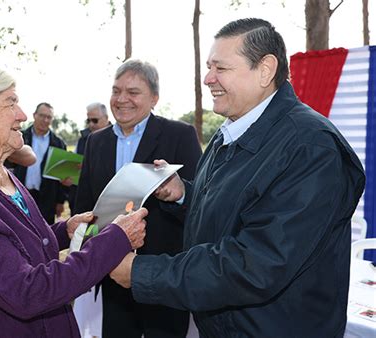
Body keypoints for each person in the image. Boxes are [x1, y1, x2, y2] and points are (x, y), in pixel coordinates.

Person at [109, 18, 366, 338]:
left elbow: (257, 264)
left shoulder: (311, 148)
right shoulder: (230, 132)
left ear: (265, 70)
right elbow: (239, 211)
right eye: (208, 67)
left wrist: (141, 273)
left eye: (221, 68)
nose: (208, 78)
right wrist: (185, 194)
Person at [0, 59, 148, 337]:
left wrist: (64, 231)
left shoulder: (0, 173)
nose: (22, 115)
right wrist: (115, 241)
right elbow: (26, 290)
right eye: (10, 103)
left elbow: (10, 243)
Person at [75, 59, 202, 338]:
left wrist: (177, 195)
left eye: (133, 92)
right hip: (112, 271)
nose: (121, 100)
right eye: (116, 90)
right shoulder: (96, 143)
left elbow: (202, 202)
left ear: (154, 97)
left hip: (163, 273)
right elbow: (84, 205)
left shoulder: (179, 135)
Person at [9, 102, 70, 224]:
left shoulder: (58, 144)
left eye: (49, 117)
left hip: (47, 198)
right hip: (20, 195)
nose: (45, 120)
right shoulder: (19, 136)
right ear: (34, 115)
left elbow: (62, 177)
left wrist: (60, 201)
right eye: (42, 116)